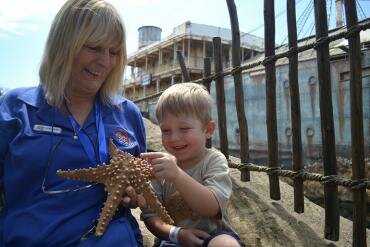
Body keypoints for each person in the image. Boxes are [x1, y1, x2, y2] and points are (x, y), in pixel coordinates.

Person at [0, 0, 146, 246]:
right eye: (93, 47)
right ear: (64, 45)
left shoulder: (127, 113)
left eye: (113, 52)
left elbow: (143, 186)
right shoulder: (16, 107)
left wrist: (135, 195)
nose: (105, 61)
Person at [140, 83, 243, 247]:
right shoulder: (159, 167)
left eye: (184, 128)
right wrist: (176, 234)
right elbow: (151, 217)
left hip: (212, 235)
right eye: (166, 130)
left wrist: (177, 175)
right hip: (173, 238)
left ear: (208, 129)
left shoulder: (214, 160)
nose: (174, 138)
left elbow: (211, 207)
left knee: (226, 244)